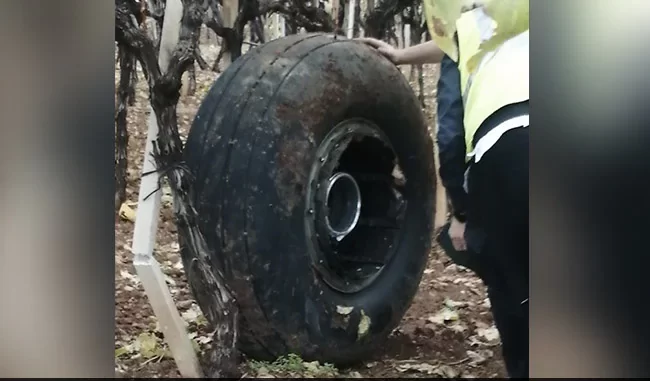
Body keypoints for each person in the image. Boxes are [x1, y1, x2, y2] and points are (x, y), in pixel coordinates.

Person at [357, 6, 529, 378]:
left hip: (505, 149)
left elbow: (450, 131)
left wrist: (461, 211)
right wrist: (403, 54)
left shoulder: (466, 20)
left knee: (513, 288)